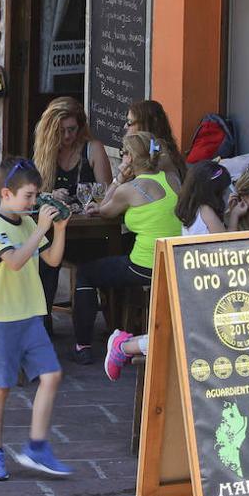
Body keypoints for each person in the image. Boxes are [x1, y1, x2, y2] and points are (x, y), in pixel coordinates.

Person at [0, 158, 71, 482]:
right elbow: (16, 261)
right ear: (7, 193)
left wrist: (58, 230)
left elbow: (53, 259)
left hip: (30, 314)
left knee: (52, 375)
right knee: (1, 387)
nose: (34, 203)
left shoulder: (30, 223)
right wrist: (43, 228)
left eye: (36, 197)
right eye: (29, 197)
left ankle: (37, 446)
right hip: (2, 318)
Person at [71, 132, 180, 364]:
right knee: (113, 264)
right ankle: (121, 322)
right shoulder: (172, 178)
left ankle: (83, 344)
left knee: (86, 273)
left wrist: (119, 178)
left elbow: (104, 208)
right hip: (175, 262)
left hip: (145, 266)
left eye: (123, 153)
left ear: (129, 157)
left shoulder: (129, 189)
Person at [33, 97, 114, 198]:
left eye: (72, 129)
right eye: (61, 130)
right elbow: (34, 195)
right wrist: (51, 195)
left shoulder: (93, 149)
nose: (67, 135)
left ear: (80, 126)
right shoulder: (45, 150)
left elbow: (106, 194)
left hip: (86, 212)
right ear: (51, 131)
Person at [126, 100, 188, 180]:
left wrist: (119, 181)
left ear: (146, 125)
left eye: (129, 122)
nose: (126, 127)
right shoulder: (158, 149)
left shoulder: (158, 158)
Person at [175, 160, 231, 236]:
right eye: (222, 191)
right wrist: (235, 215)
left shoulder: (192, 208)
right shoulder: (206, 210)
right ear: (214, 192)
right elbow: (227, 241)